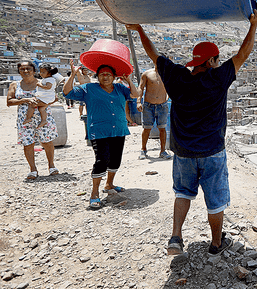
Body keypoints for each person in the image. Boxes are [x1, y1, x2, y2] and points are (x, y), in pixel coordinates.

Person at [127, 10, 257, 256]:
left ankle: (176, 238)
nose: (219, 64)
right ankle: (217, 244)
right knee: (216, 200)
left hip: (184, 152)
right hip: (212, 151)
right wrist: (254, 24)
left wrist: (139, 30)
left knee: (182, 193)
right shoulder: (218, 78)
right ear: (211, 61)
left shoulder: (176, 77)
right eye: (217, 60)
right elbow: (244, 52)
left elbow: (154, 55)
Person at [63, 60, 140, 208]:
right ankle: (94, 193)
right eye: (102, 74)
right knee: (102, 160)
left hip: (118, 129)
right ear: (97, 76)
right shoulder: (88, 88)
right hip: (99, 130)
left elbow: (135, 95)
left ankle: (109, 185)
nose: (105, 77)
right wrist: (73, 75)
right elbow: (67, 92)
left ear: (114, 76)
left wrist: (129, 80)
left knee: (116, 159)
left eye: (109, 74)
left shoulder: (120, 88)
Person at [7, 60, 59, 179]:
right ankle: (33, 169)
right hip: (24, 118)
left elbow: (54, 98)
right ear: (19, 71)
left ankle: (51, 166)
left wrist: (43, 103)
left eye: (29, 69)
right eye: (22, 69)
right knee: (27, 143)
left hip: (43, 116)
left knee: (46, 141)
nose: (26, 71)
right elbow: (9, 101)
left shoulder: (43, 82)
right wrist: (26, 100)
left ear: (34, 71)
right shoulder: (15, 85)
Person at [137, 67, 171, 160]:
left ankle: (163, 151)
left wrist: (168, 96)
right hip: (149, 105)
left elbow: (172, 86)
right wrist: (138, 102)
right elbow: (140, 87)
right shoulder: (147, 73)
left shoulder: (167, 73)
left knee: (162, 128)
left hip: (162, 106)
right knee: (147, 128)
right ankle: (143, 149)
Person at [23, 64, 59, 129]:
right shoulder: (46, 79)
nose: (41, 73)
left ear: (49, 73)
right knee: (41, 109)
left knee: (32, 104)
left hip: (46, 98)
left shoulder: (50, 79)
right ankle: (44, 120)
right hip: (46, 97)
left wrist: (39, 85)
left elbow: (48, 87)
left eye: (43, 72)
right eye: (40, 72)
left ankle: (28, 118)